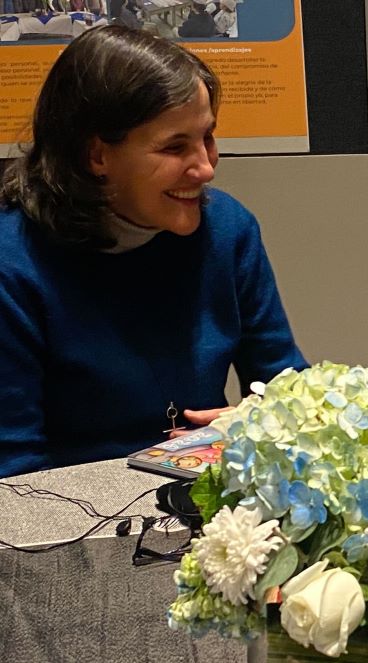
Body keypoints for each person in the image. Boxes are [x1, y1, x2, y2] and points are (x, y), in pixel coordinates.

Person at [0, 26, 307, 477]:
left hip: (209, 507)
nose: (204, 168)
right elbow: (15, 473)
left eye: (208, 137)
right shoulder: (14, 264)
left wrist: (256, 425)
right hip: (78, 522)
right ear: (97, 156)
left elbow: (291, 390)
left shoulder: (228, 230)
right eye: (174, 147)